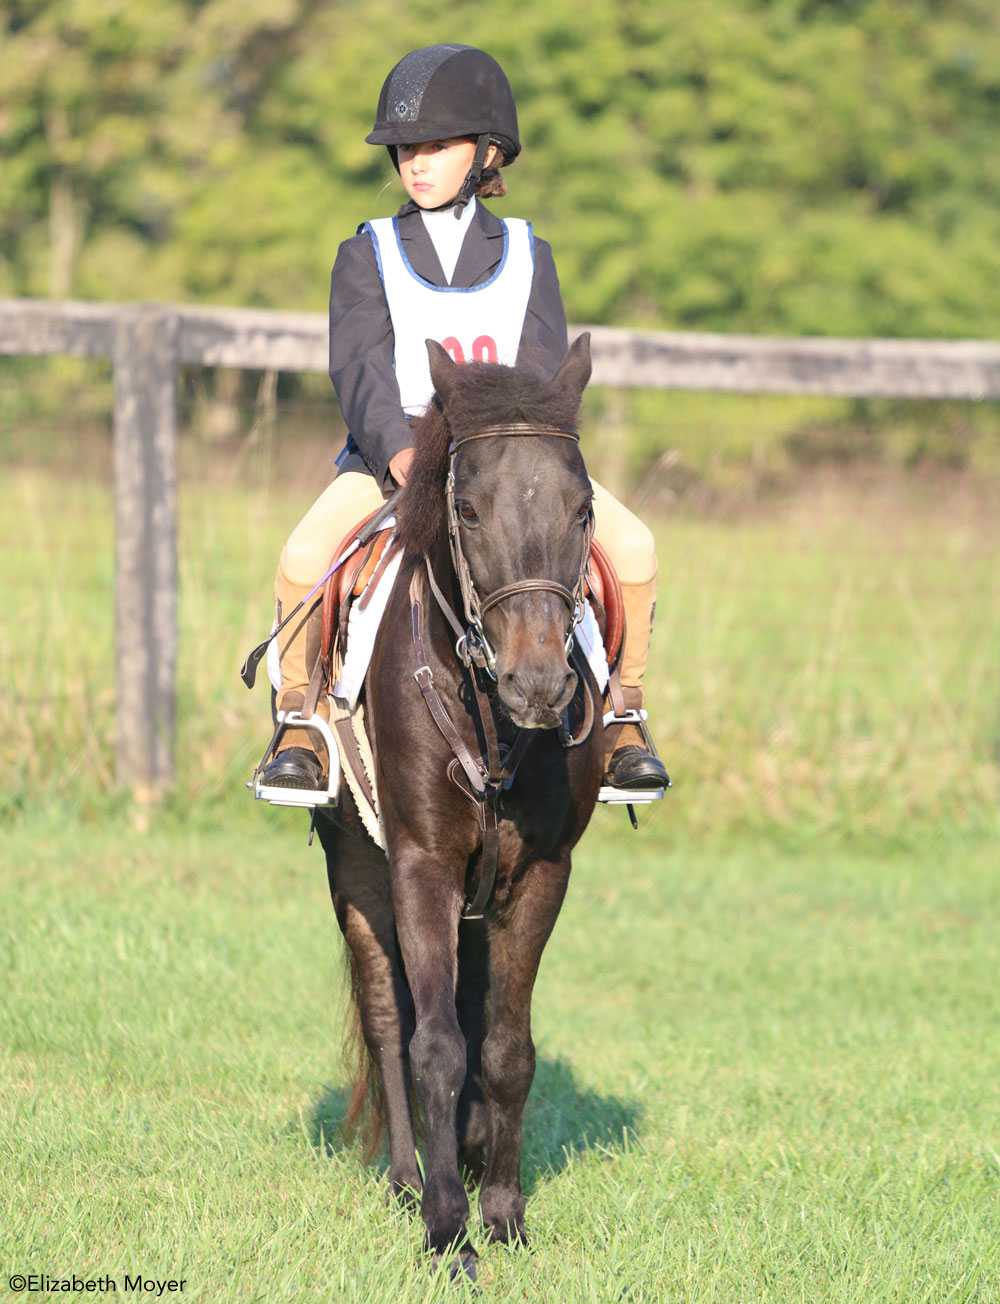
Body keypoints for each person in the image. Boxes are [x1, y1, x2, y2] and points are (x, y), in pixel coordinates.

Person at [259, 43, 668, 796]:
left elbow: (545, 376)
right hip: (396, 459)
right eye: (405, 149)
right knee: (303, 555)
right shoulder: (368, 251)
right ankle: (301, 727)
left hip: (510, 463)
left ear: (485, 153)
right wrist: (398, 455)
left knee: (633, 551)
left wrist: (525, 458)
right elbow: (359, 369)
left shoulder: (526, 253)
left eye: (435, 147)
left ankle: (621, 719)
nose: (415, 163)